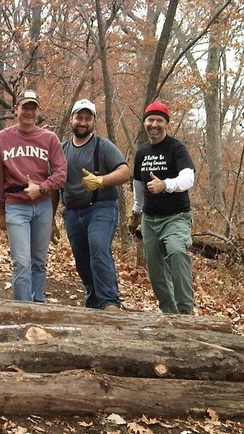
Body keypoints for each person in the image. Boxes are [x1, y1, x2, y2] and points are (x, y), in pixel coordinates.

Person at [0, 90, 67, 302]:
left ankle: (38, 303)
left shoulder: (50, 139)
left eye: (33, 108)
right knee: (21, 262)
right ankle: (23, 309)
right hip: (15, 206)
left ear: (39, 111)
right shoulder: (1, 139)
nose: (29, 112)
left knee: (39, 260)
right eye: (25, 107)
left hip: (42, 206)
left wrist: (42, 188)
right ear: (16, 109)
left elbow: (61, 173)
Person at [58, 99, 131, 311]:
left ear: (93, 121)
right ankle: (93, 302)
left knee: (99, 248)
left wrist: (101, 180)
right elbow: (54, 184)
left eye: (87, 118)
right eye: (79, 117)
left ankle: (110, 303)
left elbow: (125, 172)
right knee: (82, 259)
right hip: (72, 213)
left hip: (101, 207)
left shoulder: (103, 146)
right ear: (71, 119)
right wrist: (50, 218)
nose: (83, 122)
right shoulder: (62, 149)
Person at [130, 101, 196, 314]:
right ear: (145, 123)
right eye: (150, 120)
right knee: (156, 271)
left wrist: (165, 185)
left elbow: (188, 178)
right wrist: (136, 213)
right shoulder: (142, 152)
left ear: (166, 124)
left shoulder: (176, 148)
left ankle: (186, 312)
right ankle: (169, 313)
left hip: (175, 217)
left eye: (159, 120)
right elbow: (138, 185)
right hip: (150, 220)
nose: (154, 124)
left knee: (177, 254)